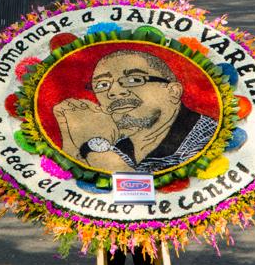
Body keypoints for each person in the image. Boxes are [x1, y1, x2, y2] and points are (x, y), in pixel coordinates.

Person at [53, 48, 218, 173]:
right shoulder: (118, 143)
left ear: (173, 91)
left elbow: (137, 195)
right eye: (102, 85)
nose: (114, 92)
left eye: (133, 79)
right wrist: (72, 135)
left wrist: (94, 144)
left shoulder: (207, 139)